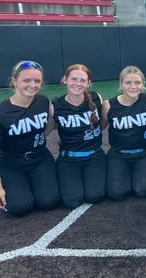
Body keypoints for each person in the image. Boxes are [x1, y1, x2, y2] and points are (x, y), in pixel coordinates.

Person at [0, 60, 60, 216]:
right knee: (19, 207)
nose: (32, 85)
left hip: (40, 158)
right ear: (14, 81)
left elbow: (49, 125)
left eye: (37, 81)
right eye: (26, 80)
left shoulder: (42, 101)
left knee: (49, 201)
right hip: (12, 164)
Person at [51, 64, 106, 209]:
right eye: (74, 79)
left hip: (94, 156)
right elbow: (45, 131)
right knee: (72, 201)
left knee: (95, 196)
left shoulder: (96, 98)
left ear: (88, 83)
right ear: (65, 80)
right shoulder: (55, 105)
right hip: (69, 159)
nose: (78, 83)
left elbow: (102, 124)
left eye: (82, 80)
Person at [101, 66, 146, 201]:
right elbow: (100, 127)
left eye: (137, 82)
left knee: (143, 190)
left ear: (143, 84)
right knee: (116, 193)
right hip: (118, 154)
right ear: (121, 83)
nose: (133, 86)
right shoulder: (108, 105)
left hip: (144, 153)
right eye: (128, 82)